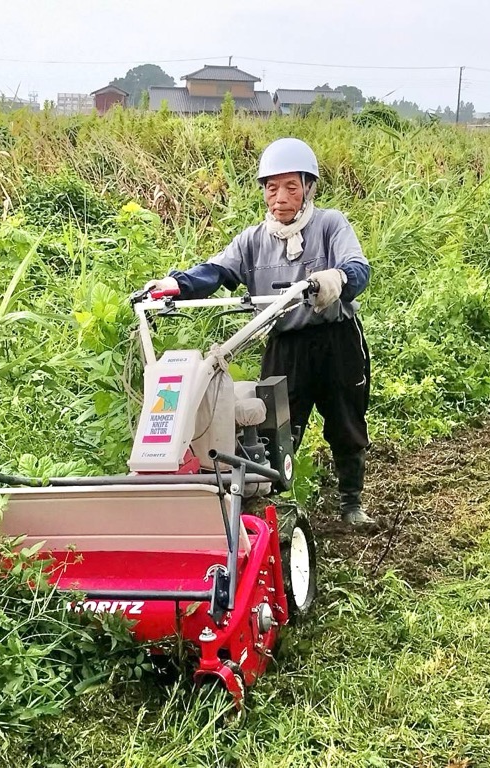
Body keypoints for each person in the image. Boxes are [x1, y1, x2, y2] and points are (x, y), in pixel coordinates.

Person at [143, 137, 374, 525]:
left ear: (308, 188)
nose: (280, 198)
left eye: (291, 187)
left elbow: (357, 268)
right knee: (275, 427)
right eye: (272, 188)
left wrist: (335, 278)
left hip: (337, 341)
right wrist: (176, 284)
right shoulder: (252, 240)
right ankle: (279, 508)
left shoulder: (331, 225)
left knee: (345, 422)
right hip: (286, 344)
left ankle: (351, 502)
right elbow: (215, 271)